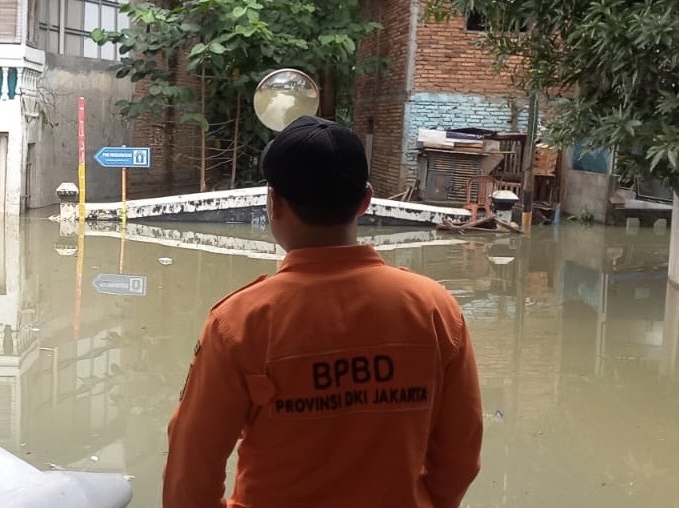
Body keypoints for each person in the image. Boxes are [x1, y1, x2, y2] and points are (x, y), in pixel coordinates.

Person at [163, 116, 482, 508]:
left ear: (274, 203)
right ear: (365, 200)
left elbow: (189, 476)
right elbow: (460, 456)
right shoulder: (435, 310)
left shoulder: (241, 322)